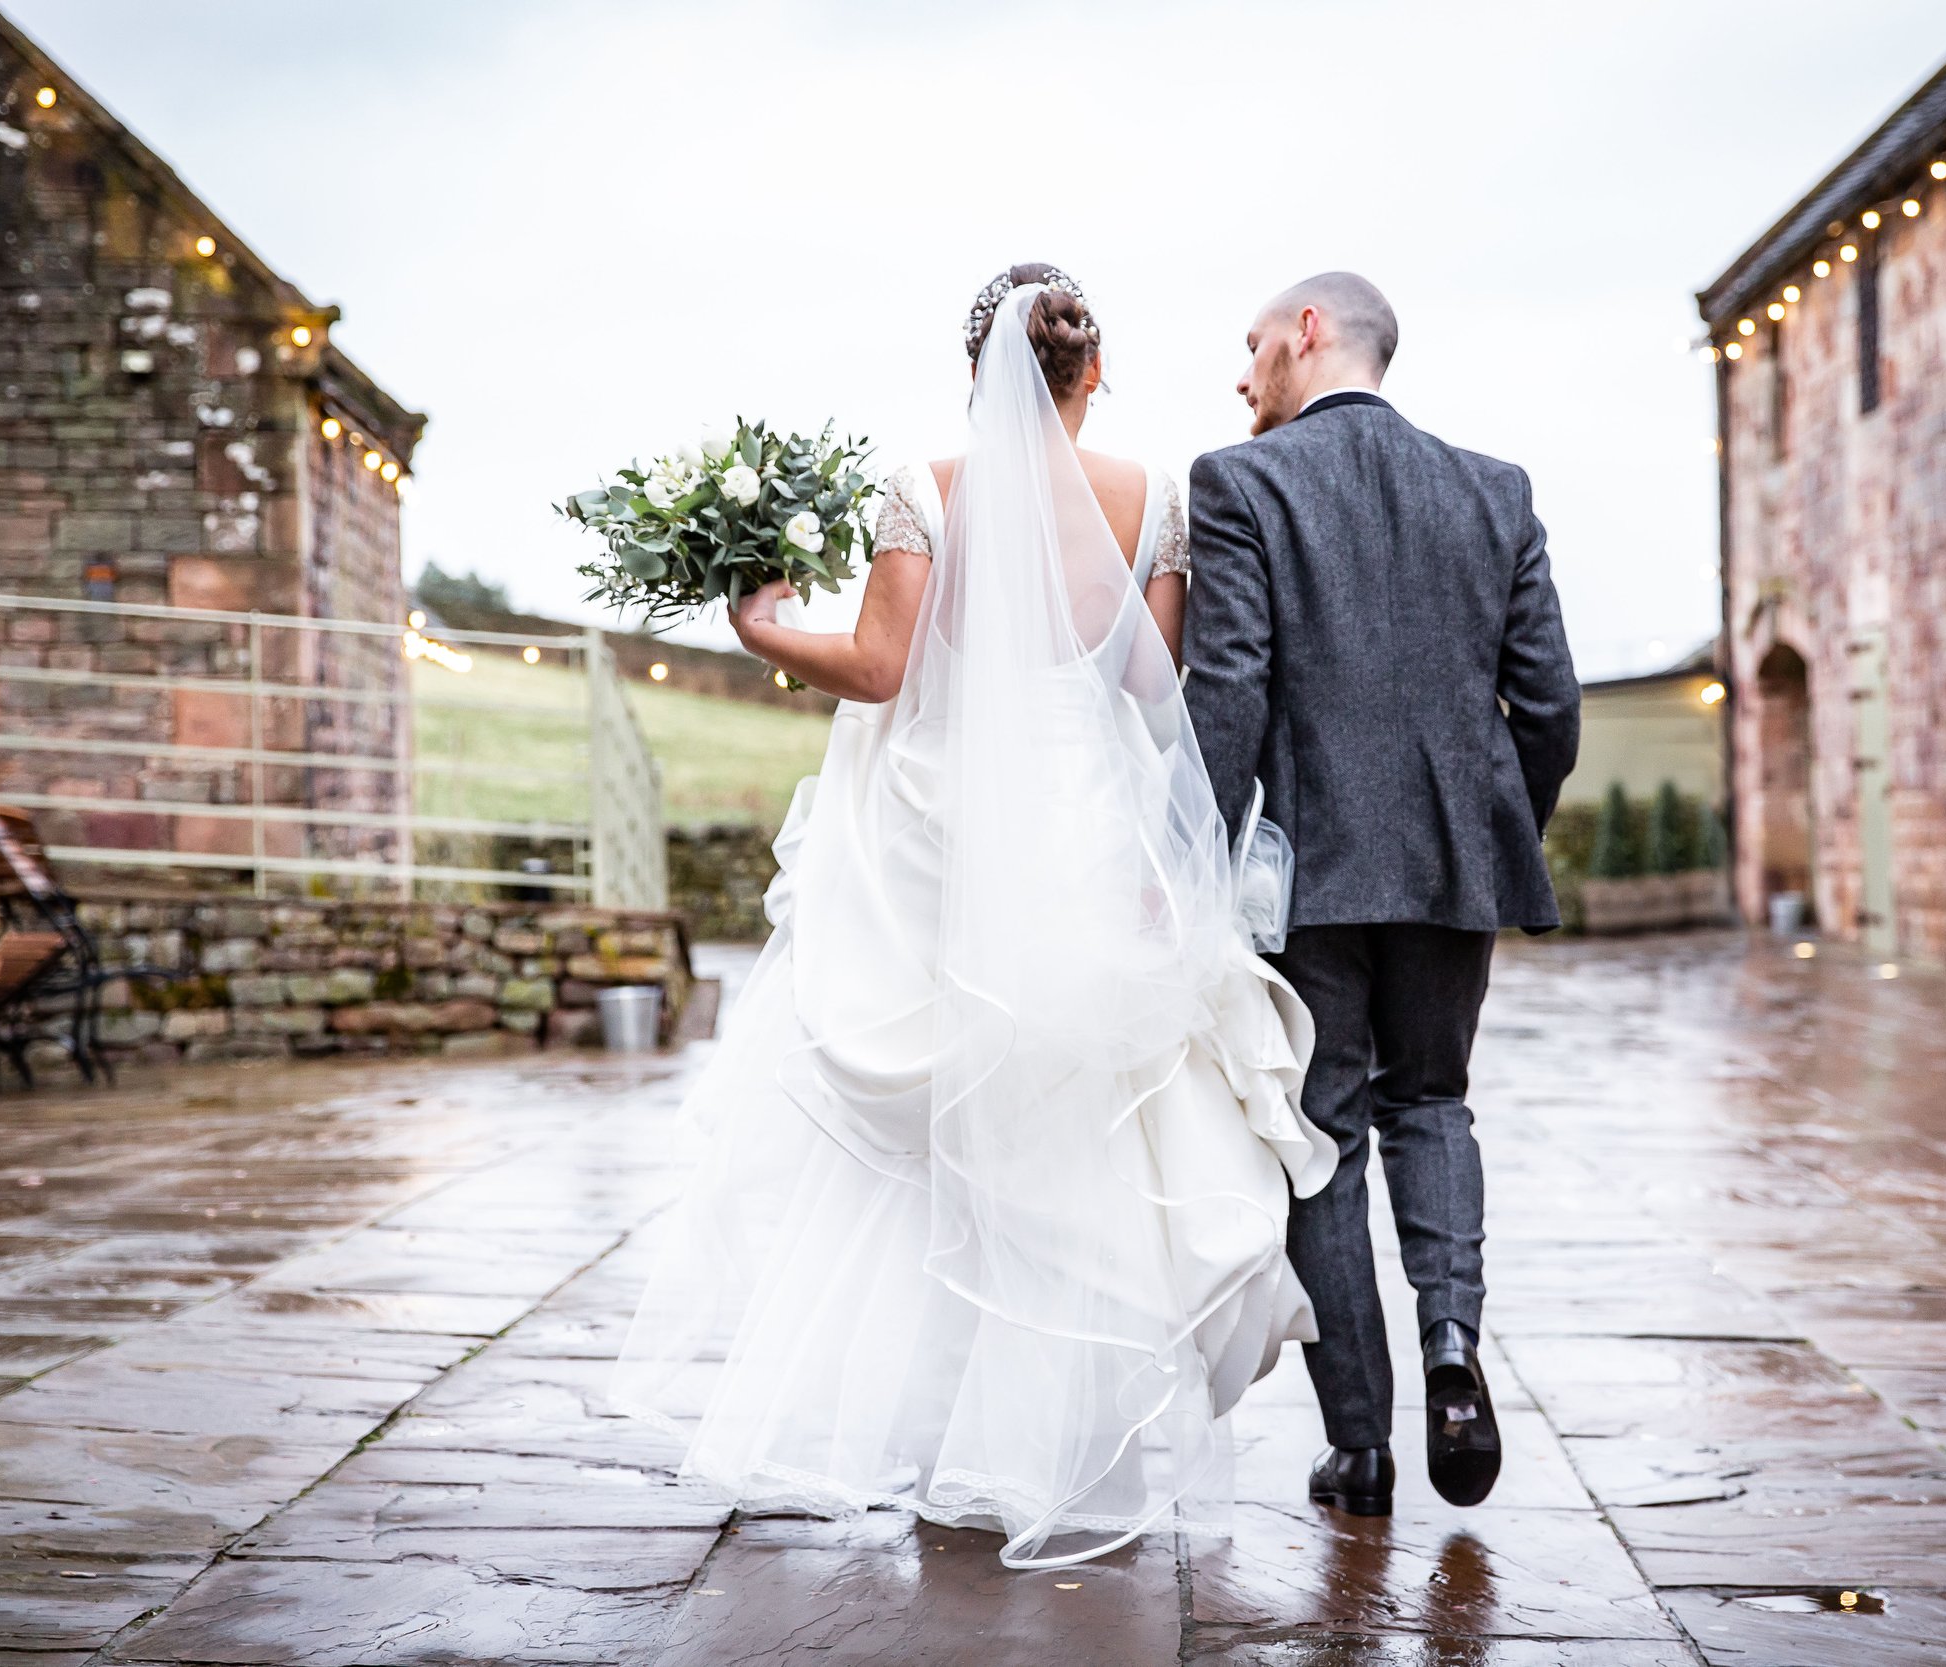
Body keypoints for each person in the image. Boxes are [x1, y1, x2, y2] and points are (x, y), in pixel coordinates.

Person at [609, 266, 1334, 1570]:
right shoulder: (1150, 495)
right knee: (1074, 1134)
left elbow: (883, 668)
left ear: (976, 368)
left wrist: (766, 629)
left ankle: (933, 1436)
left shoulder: (927, 484)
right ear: (1090, 373)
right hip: (1085, 818)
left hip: (946, 825)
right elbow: (1149, 694)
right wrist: (1166, 851)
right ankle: (1052, 1446)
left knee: (933, 1138)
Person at [1183, 273, 1581, 1516]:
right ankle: (1453, 1342)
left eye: (1252, 345)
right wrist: (1487, 825)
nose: (1242, 375)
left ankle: (1360, 1447)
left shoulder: (1240, 483)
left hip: (1307, 876)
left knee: (1324, 1141)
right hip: (1452, 865)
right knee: (1437, 1106)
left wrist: (1193, 856)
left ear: (1309, 331)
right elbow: (1551, 704)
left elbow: (1230, 691)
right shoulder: (1494, 488)